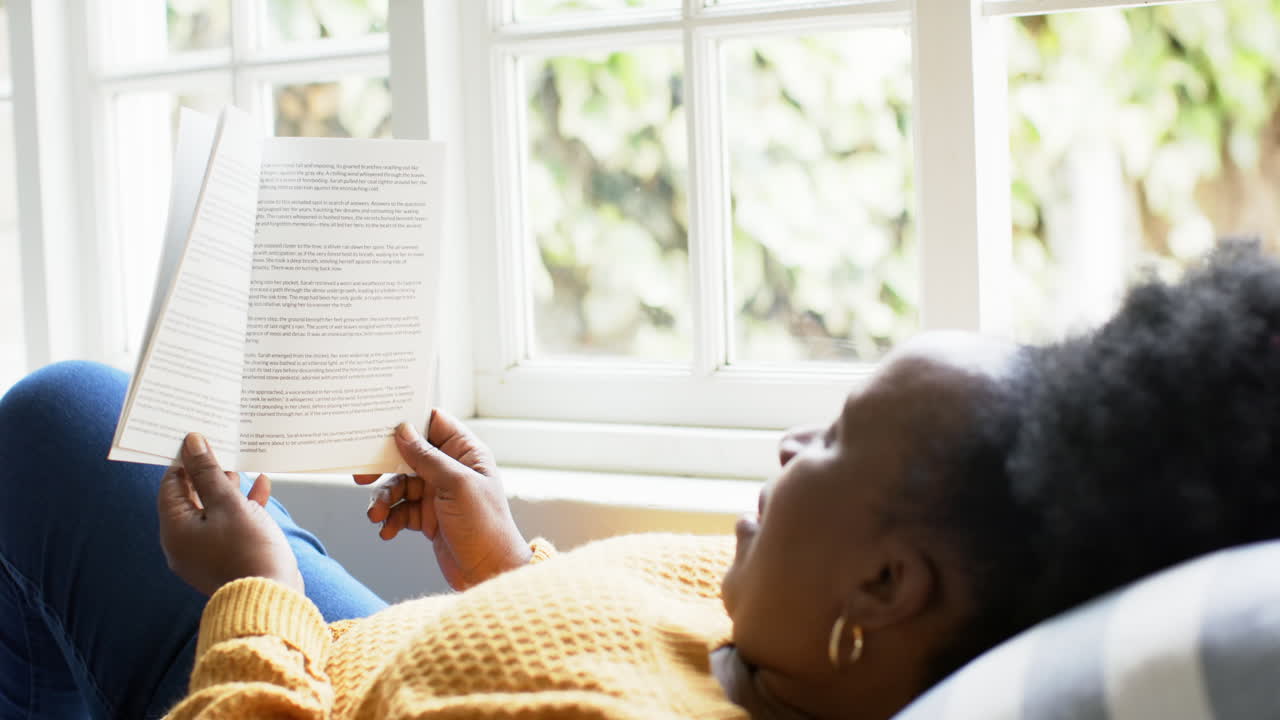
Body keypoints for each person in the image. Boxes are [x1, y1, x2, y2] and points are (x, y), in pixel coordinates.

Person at [2, 241, 1279, 719]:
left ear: (884, 585)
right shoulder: (776, 631)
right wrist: (504, 562)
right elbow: (618, 639)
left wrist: (252, 588)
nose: (787, 447)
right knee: (67, 418)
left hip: (284, 690)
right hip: (386, 641)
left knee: (50, 440)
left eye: (829, 439)